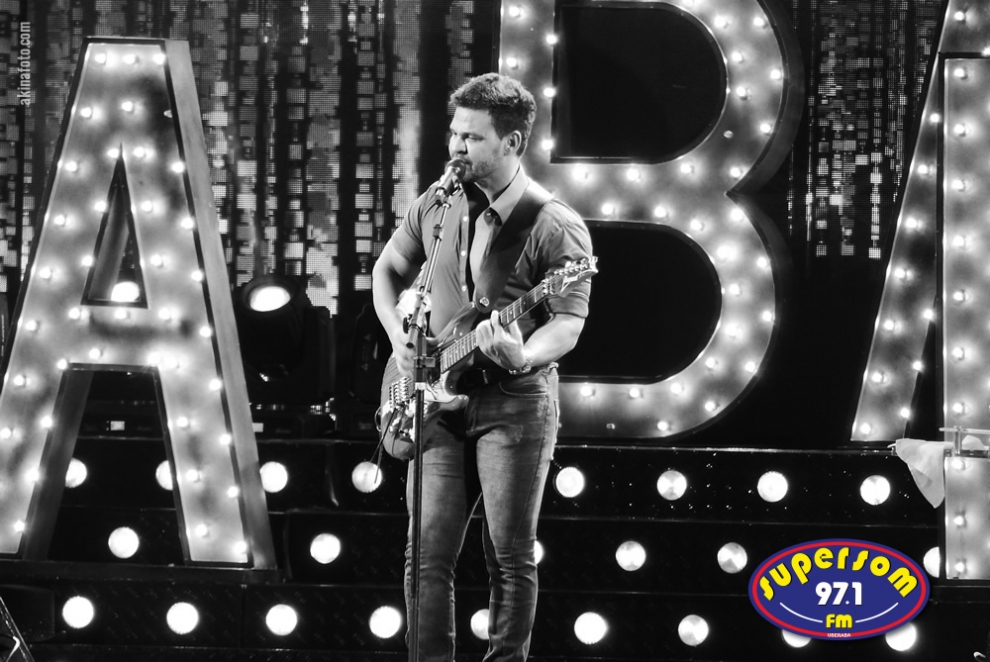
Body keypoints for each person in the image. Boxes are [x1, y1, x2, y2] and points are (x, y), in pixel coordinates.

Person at [372, 72, 593, 662]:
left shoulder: (553, 222)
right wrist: (398, 339)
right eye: (454, 133)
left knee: (509, 558)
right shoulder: (437, 203)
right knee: (425, 556)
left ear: (512, 142)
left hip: (513, 403)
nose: (456, 147)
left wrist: (524, 354)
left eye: (471, 138)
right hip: (434, 396)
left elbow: (567, 323)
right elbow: (387, 269)